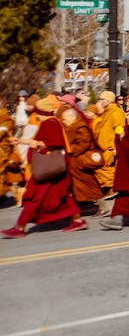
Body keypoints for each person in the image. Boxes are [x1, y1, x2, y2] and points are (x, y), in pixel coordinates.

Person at [1, 95, 88, 238]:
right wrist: (20, 140)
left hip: (47, 168)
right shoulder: (53, 121)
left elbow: (55, 142)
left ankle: (20, 227)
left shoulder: (49, 123)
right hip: (54, 167)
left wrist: (37, 144)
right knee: (61, 195)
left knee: (34, 197)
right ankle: (78, 220)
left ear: (41, 112)